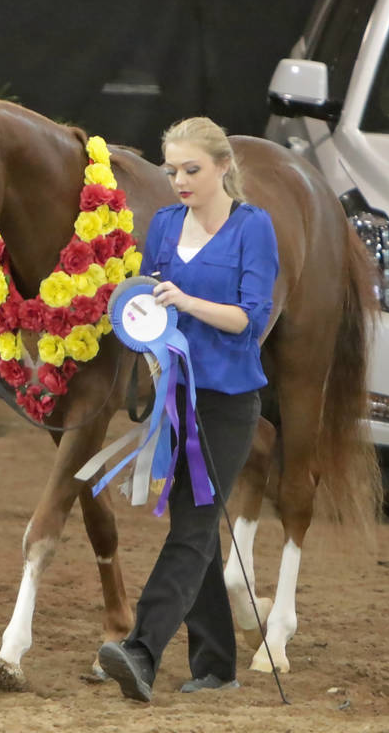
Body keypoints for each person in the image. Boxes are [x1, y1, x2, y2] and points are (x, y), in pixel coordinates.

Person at [98, 117, 279, 701]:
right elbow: (153, 308)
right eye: (172, 170)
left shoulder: (255, 228)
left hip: (229, 401)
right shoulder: (165, 224)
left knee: (196, 525)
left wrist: (187, 300)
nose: (179, 180)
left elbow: (249, 319)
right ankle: (218, 663)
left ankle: (142, 651)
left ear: (224, 167)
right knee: (193, 527)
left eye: (191, 170)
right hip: (177, 395)